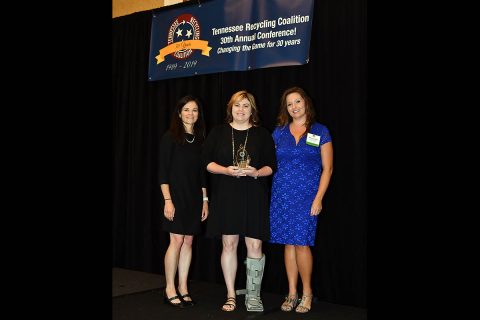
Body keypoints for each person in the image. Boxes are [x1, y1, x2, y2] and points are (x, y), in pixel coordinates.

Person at [202, 90, 276, 312]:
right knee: (229, 244)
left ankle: (253, 296)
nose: (241, 110)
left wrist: (255, 173)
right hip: (226, 195)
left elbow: (271, 166)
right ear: (230, 108)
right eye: (237, 105)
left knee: (255, 244)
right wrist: (225, 170)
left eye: (245, 106)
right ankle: (231, 294)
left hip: (254, 195)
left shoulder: (262, 134)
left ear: (252, 110)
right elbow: (206, 162)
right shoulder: (218, 132)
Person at [269, 87, 333, 313]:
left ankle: (307, 293)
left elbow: (328, 169)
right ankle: (292, 293)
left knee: (302, 244)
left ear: (306, 103)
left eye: (297, 102)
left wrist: (319, 199)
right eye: (289, 104)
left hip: (307, 197)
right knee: (289, 243)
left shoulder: (320, 131)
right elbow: (268, 162)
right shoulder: (279, 132)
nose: (294, 107)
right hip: (282, 195)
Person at [158, 95, 209, 308]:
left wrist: (205, 200)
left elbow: (202, 174)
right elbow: (163, 173)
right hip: (176, 196)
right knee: (176, 240)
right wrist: (167, 201)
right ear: (179, 113)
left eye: (195, 110)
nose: (191, 114)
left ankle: (183, 287)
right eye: (186, 110)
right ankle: (169, 288)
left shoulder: (200, 138)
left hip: (195, 197)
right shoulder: (170, 137)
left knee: (189, 241)